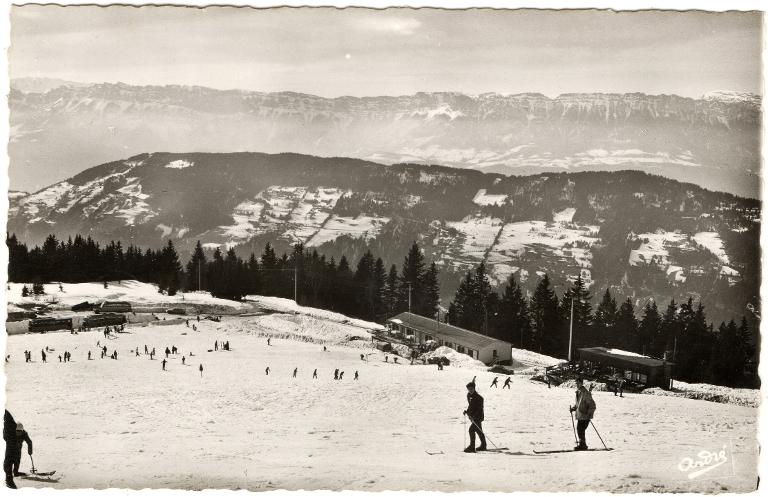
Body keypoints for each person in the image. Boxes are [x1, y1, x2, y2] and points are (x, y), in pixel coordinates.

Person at [570, 377, 597, 451]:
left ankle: (582, 445)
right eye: (576, 383)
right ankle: (582, 444)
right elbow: (578, 404)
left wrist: (589, 414)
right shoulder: (578, 392)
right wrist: (573, 408)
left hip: (585, 415)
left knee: (580, 429)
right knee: (580, 429)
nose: (577, 385)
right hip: (581, 415)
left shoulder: (585, 393)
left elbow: (592, 405)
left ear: (582, 383)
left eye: (578, 383)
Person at [463, 380, 487, 453]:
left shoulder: (479, 398)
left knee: (471, 430)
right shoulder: (469, 395)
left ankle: (472, 447)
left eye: (471, 389)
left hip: (478, 416)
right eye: (468, 389)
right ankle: (483, 445)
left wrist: (474, 416)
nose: (469, 390)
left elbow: (479, 409)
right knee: (479, 431)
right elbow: (471, 405)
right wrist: (467, 411)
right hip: (473, 416)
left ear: (474, 388)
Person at [4, 410, 18, 488]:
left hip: (11, 437)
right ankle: (8, 477)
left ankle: (9, 477)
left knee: (10, 457)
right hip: (10, 437)